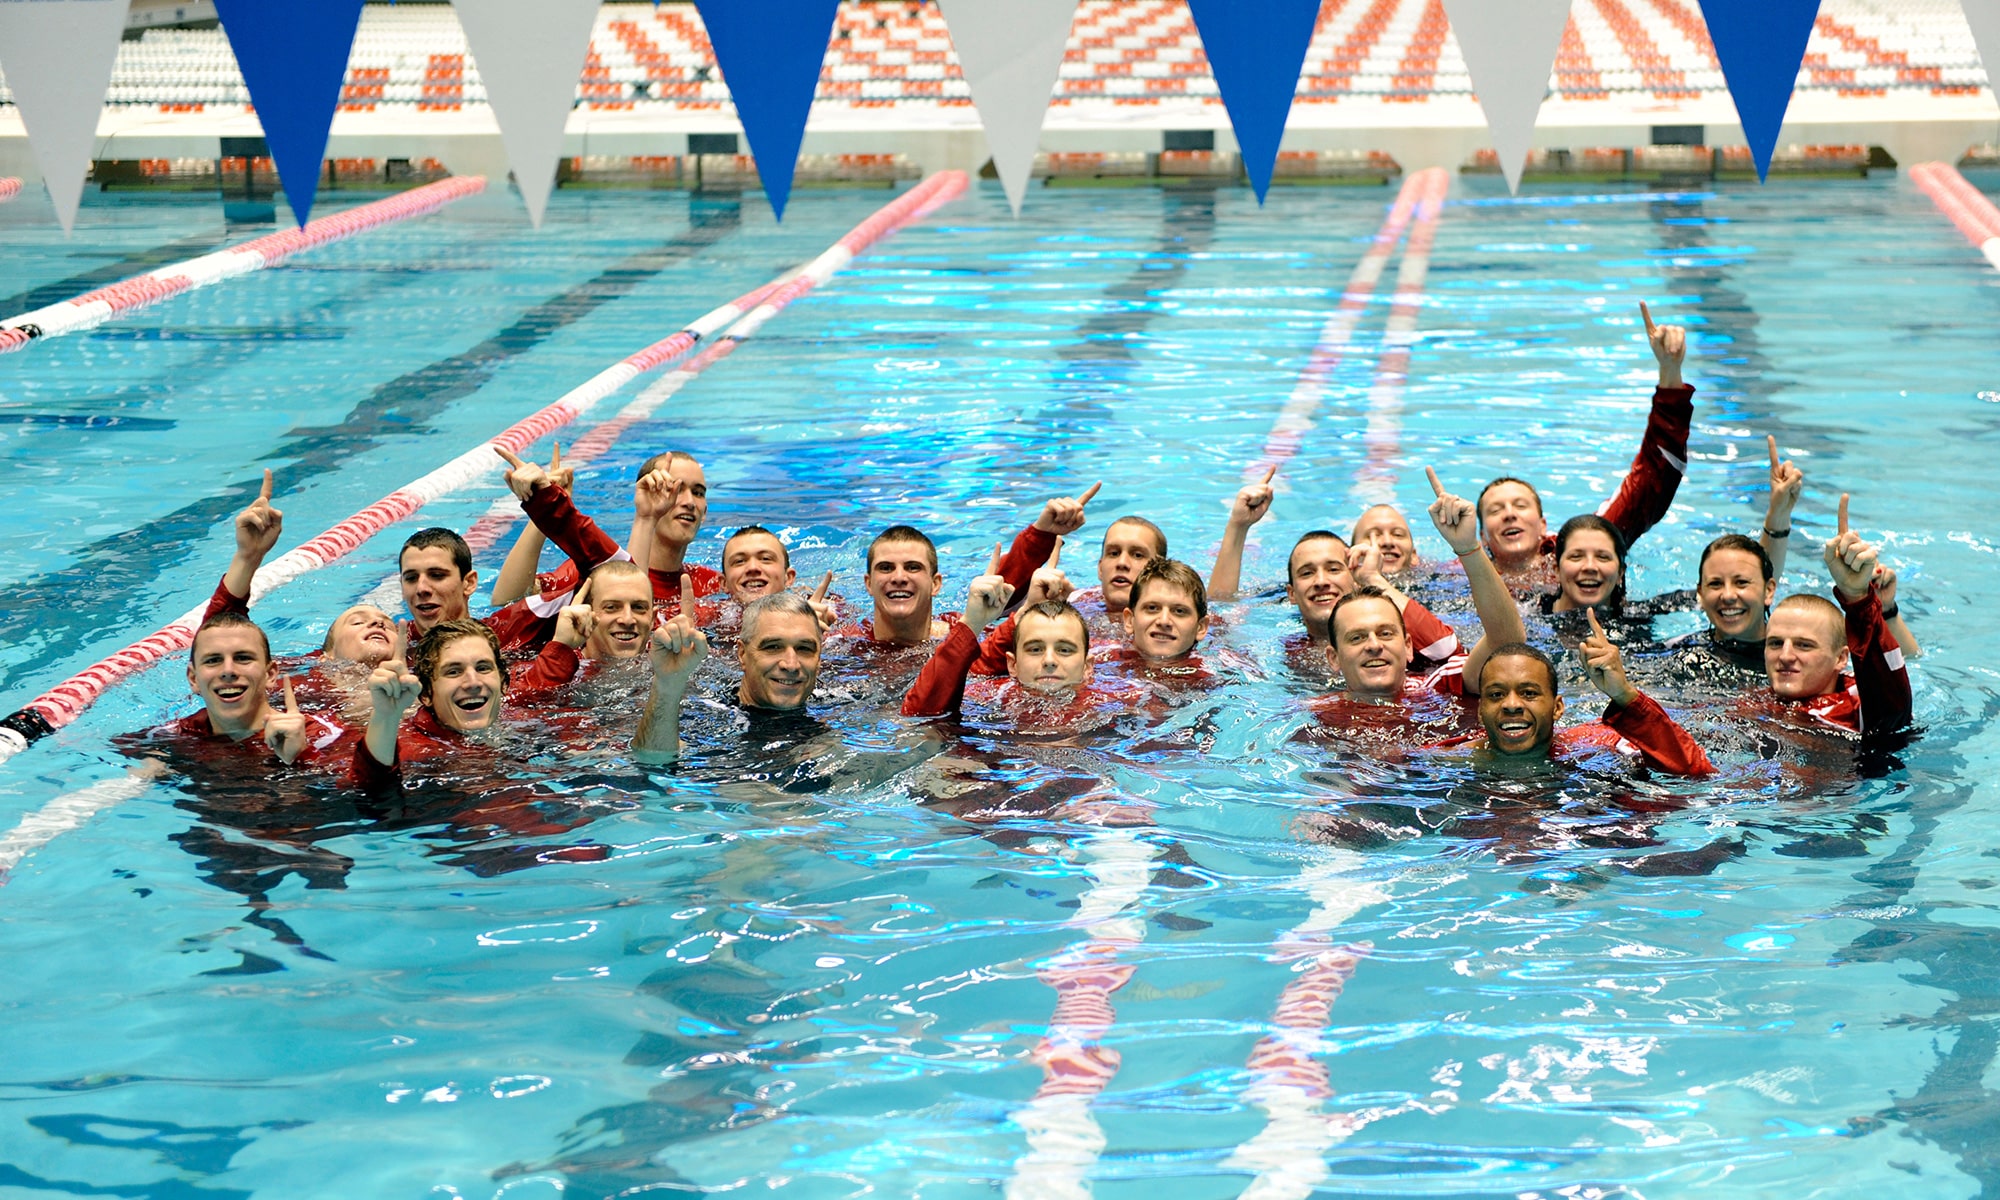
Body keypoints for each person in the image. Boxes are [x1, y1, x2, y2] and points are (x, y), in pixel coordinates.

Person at [1478, 303, 1694, 589]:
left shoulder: (1581, 550)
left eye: (1520, 505)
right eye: (1495, 510)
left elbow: (1651, 481)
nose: (1509, 514)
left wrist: (1669, 374)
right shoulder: (1462, 577)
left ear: (1543, 526)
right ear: (1481, 538)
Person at [1305, 469, 1527, 736]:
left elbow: (1508, 641)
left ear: (1408, 646)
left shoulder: (1438, 687)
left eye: (1386, 634)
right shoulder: (1315, 713)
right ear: (1333, 658)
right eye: (1357, 638)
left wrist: (1468, 548)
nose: (1374, 646)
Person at [1755, 495, 1914, 738]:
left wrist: (1858, 598)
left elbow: (1892, 700)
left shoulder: (1857, 709)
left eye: (1804, 645)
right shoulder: (1754, 705)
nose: (1785, 656)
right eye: (1775, 643)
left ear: (1840, 658)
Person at [1457, 626, 1714, 776]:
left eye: (1529, 693)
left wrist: (1623, 693)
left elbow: (1696, 773)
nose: (1511, 704)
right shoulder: (1447, 762)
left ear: (1557, 708)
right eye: (1496, 695)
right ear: (1480, 711)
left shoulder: (1595, 747)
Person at [122, 612, 343, 770]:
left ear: (270, 674)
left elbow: (366, 801)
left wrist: (302, 757)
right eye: (214, 660)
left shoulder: (325, 736)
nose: (228, 670)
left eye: (243, 658)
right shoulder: (167, 738)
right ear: (193, 679)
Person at [635, 581, 825, 762]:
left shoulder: (838, 704)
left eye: (804, 649)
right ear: (742, 654)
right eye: (773, 647)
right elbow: (654, 762)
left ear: (819, 658)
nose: (791, 665)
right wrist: (668, 682)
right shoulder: (709, 717)